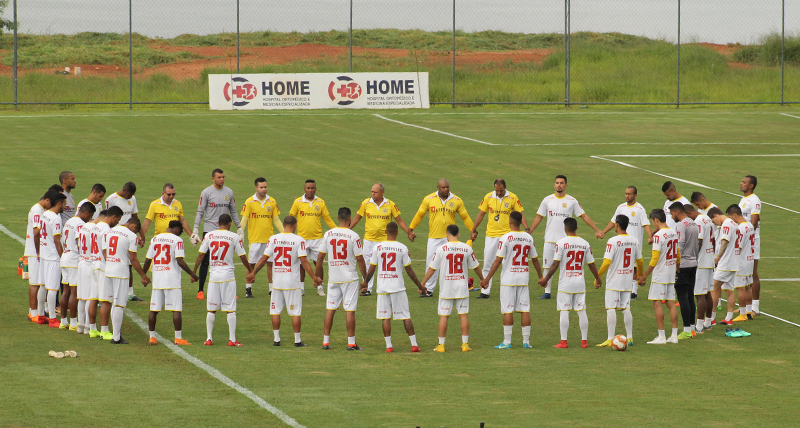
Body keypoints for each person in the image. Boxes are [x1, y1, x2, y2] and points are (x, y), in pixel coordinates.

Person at [247, 215, 321, 347]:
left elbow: (264, 259)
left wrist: (253, 273)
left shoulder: (273, 239)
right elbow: (304, 261)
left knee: (275, 311)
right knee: (295, 312)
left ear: (283, 224)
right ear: (295, 225)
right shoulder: (298, 240)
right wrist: (314, 277)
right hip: (292, 282)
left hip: (277, 281)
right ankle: (297, 340)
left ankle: (276, 339)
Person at [530, 175, 603, 300]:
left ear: (566, 185)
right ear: (554, 185)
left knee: (565, 266)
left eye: (562, 183)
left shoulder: (572, 201)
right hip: (550, 239)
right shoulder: (547, 200)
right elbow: (539, 216)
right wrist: (529, 232)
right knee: (547, 265)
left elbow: (583, 215)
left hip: (566, 241)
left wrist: (596, 230)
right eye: (557, 182)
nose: (559, 185)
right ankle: (547, 292)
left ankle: (565, 289)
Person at [480, 211, 542, 349]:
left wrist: (487, 279)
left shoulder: (506, 238)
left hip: (508, 278)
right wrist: (540, 277)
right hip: (523, 278)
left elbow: (497, 261)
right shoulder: (528, 238)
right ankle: (526, 342)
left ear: (510, 222)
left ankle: (507, 342)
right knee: (524, 309)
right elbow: (535, 259)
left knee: (508, 310)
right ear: (521, 222)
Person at [362, 222, 426, 353]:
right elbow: (409, 271)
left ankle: (389, 346)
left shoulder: (378, 247)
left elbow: (371, 269)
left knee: (385, 317)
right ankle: (414, 345)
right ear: (397, 232)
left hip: (382, 288)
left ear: (386, 232)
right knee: (406, 316)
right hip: (398, 287)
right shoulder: (402, 248)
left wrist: (366, 282)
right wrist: (420, 286)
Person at [538, 218, 601, 349]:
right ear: (577, 228)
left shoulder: (561, 243)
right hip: (579, 283)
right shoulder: (585, 243)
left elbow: (555, 264)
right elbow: (591, 264)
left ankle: (564, 341)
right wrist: (598, 279)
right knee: (581, 310)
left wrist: (546, 279)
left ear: (565, 229)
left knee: (564, 311)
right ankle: (584, 341)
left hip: (565, 283)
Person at [420, 225, 484, 352]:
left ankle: (441, 345)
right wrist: (483, 279)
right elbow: (476, 267)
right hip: (462, 287)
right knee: (463, 316)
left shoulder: (441, 249)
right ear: (459, 234)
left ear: (447, 235)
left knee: (444, 316)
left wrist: (423, 283)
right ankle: (465, 345)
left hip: (446, 288)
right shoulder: (467, 248)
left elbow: (432, 269)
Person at [408, 178, 473, 297]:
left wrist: (472, 230)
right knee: (431, 264)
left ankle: (454, 287)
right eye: (443, 187)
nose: (446, 189)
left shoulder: (457, 200)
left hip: (451, 238)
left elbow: (465, 217)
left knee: (452, 263)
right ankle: (428, 289)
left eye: (447, 187)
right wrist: (411, 228)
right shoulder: (428, 199)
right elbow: (419, 215)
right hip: (434, 237)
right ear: (438, 187)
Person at [192, 214, 249, 346]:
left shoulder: (209, 235)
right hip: (228, 277)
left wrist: (194, 272)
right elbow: (242, 256)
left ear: (218, 223)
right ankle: (232, 340)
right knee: (230, 309)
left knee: (211, 309)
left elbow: (201, 255)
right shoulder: (234, 236)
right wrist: (250, 271)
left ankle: (209, 339)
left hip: (214, 277)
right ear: (229, 224)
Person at [316, 207, 367, 350]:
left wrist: (317, 276)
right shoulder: (353, 236)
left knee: (330, 309)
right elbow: (360, 259)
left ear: (338, 218)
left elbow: (320, 257)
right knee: (349, 310)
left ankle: (325, 342)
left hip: (333, 278)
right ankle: (351, 343)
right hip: (349, 278)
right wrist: (366, 278)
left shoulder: (328, 234)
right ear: (350, 218)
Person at [351, 183, 414, 296]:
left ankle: (386, 286)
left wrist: (408, 232)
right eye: (372, 192)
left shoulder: (390, 204)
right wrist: (347, 230)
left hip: (384, 240)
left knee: (384, 264)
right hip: (369, 239)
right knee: (367, 263)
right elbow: (357, 218)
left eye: (375, 192)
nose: (373, 194)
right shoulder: (366, 203)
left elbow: (399, 220)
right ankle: (367, 287)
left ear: (382, 193)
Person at [142, 220, 198, 345]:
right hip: (172, 279)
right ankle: (178, 338)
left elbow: (148, 260)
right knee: (176, 309)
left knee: (154, 309)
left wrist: (144, 276)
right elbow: (180, 260)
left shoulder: (155, 239)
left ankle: (152, 337)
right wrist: (192, 274)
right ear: (177, 230)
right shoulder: (177, 240)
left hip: (157, 279)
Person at [470, 179, 527, 299]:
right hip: (491, 235)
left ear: (505, 187)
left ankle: (507, 288)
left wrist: (527, 229)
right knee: (488, 262)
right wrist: (473, 229)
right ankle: (485, 291)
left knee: (507, 263)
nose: (499, 193)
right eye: (497, 190)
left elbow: (520, 214)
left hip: (507, 235)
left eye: (501, 190)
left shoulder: (512, 197)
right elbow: (481, 214)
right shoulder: (488, 197)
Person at [192, 169, 242, 300]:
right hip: (209, 230)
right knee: (205, 260)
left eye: (223, 177)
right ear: (213, 178)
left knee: (227, 259)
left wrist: (239, 227)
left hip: (225, 231)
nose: (222, 179)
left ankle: (230, 291)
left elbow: (233, 211)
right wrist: (195, 229)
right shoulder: (206, 192)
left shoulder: (229, 192)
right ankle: (200, 290)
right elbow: (200, 211)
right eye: (219, 177)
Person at [100, 213, 150, 344]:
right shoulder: (131, 235)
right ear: (134, 226)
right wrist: (143, 275)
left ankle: (115, 334)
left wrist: (111, 262)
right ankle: (116, 337)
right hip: (121, 272)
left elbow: (104, 252)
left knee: (112, 302)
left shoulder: (109, 231)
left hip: (108, 270)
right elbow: (133, 259)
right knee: (119, 304)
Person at [596, 215, 642, 348]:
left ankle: (610, 338)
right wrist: (640, 276)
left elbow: (606, 262)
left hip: (614, 280)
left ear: (616, 225)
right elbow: (640, 261)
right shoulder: (634, 241)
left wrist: (598, 277)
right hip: (627, 280)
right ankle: (630, 337)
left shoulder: (613, 241)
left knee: (611, 308)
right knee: (626, 308)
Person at [600, 186, 652, 299]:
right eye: (626, 193)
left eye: (629, 194)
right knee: (623, 265)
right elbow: (613, 221)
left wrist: (650, 235)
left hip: (634, 243)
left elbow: (646, 224)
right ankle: (624, 288)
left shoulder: (640, 209)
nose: (627, 196)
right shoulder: (621, 207)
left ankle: (634, 291)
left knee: (634, 267)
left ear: (635, 195)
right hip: (621, 242)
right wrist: (604, 231)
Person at [637, 209, 680, 344]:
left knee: (657, 303)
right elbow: (678, 254)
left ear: (656, 220)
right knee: (671, 303)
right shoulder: (673, 232)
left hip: (660, 274)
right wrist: (677, 269)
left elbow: (655, 258)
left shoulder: (658, 236)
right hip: (671, 273)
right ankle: (674, 336)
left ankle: (661, 337)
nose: (653, 225)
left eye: (653, 222)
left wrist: (644, 275)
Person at [288, 179, 336, 297]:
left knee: (318, 263)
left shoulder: (320, 202)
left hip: (317, 239)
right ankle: (301, 288)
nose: (310, 190)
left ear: (315, 189)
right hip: (302, 239)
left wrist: (337, 230)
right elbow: (291, 217)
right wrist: (289, 233)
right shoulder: (298, 202)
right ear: (304, 189)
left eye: (312, 188)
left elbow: (327, 219)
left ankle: (320, 287)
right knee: (301, 264)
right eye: (308, 188)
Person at [240, 177, 283, 298]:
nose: (264, 189)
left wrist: (284, 233)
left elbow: (276, 220)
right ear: (256, 188)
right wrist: (240, 234)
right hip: (255, 239)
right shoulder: (249, 202)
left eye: (265, 187)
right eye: (261, 187)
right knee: (251, 264)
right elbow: (244, 219)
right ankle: (248, 289)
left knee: (270, 263)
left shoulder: (272, 201)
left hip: (269, 239)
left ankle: (271, 289)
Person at [105, 181, 146, 302]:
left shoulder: (132, 199)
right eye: (128, 195)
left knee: (129, 264)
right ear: (124, 191)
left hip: (130, 235)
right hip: (117, 236)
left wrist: (141, 234)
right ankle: (112, 292)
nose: (130, 197)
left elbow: (135, 217)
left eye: (132, 195)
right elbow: (107, 218)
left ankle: (130, 293)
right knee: (119, 263)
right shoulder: (111, 199)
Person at [59, 202, 95, 331]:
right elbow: (80, 243)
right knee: (74, 292)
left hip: (65, 256)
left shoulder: (69, 221)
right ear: (86, 212)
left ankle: (63, 321)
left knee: (65, 291)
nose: (89, 219)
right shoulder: (80, 224)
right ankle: (74, 322)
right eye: (90, 216)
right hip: (74, 259)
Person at [669, 202, 700, 339]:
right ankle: (692, 328)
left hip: (683, 265)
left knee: (682, 297)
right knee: (690, 296)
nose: (672, 217)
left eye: (672, 214)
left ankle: (686, 330)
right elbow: (697, 244)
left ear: (677, 212)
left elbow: (680, 244)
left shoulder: (681, 225)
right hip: (693, 263)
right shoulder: (694, 224)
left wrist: (676, 264)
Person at [684, 204, 715, 333]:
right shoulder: (707, 218)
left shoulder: (698, 222)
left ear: (688, 213)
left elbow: (699, 241)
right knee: (707, 292)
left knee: (699, 294)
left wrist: (694, 257)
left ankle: (699, 326)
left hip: (701, 262)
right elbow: (713, 240)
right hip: (710, 259)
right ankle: (708, 322)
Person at [38, 192, 67, 328]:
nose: (65, 207)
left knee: (43, 286)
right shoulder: (56, 218)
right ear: (59, 203)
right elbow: (57, 240)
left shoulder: (44, 214)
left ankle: (40, 316)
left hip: (44, 254)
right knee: (53, 288)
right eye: (64, 204)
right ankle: (53, 319)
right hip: (53, 257)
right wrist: (62, 257)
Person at [707, 207, 739, 326]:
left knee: (713, 288)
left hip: (726, 263)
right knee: (729, 290)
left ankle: (711, 318)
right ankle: (729, 318)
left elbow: (724, 242)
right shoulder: (734, 224)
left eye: (713, 221)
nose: (714, 224)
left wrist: (718, 257)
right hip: (734, 261)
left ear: (716, 216)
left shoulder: (726, 224)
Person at [24, 191, 53, 323]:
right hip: (34, 251)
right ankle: (33, 312)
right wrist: (38, 252)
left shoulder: (39, 209)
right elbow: (36, 232)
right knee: (35, 283)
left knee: (38, 282)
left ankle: (37, 311)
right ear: (47, 200)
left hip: (35, 251)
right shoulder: (37, 210)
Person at [727, 204, 755, 322]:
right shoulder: (750, 225)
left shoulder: (741, 228)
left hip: (742, 262)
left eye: (730, 217)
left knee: (740, 288)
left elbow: (738, 246)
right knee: (747, 287)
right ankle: (749, 312)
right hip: (750, 259)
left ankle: (743, 314)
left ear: (734, 215)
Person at [76, 209, 102, 335]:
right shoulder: (95, 229)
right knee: (90, 297)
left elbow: (78, 244)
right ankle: (87, 326)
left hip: (81, 261)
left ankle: (80, 325)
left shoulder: (83, 226)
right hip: (90, 263)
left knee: (81, 296)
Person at [738, 175, 761, 315]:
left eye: (744, 182)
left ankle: (755, 307)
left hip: (752, 240)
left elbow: (754, 221)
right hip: (744, 239)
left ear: (751, 185)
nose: (741, 184)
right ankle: (747, 307)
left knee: (753, 272)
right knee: (745, 272)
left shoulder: (754, 200)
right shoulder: (743, 199)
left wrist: (747, 235)